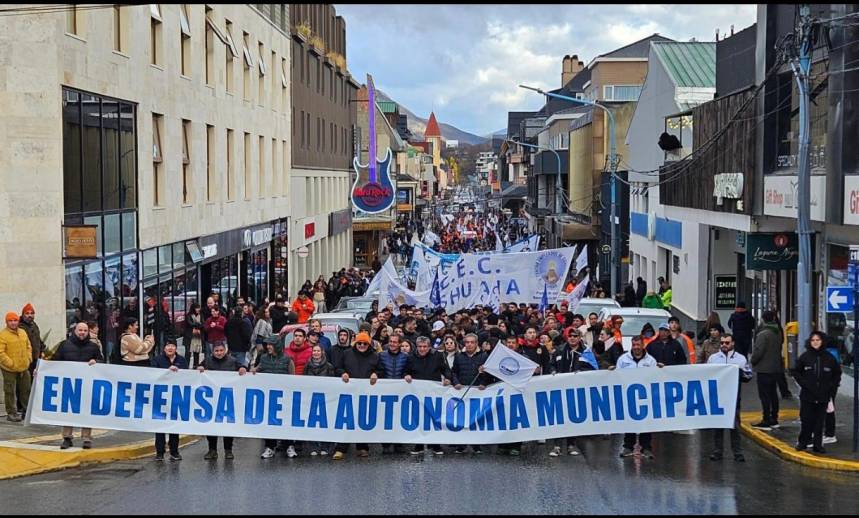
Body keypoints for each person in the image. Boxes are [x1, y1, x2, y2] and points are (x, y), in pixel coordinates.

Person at [50, 322, 102, 446]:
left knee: (87, 410)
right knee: (68, 411)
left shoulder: (93, 346)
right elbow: (54, 362)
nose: (82, 332)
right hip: (69, 384)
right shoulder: (64, 345)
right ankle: (67, 438)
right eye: (80, 330)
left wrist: (97, 361)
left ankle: (86, 438)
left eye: (85, 330)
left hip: (87, 385)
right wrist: (40, 370)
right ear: (75, 330)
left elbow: (101, 361)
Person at [332, 332, 382, 460]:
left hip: (366, 393)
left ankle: (362, 447)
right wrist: (342, 373)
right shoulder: (347, 353)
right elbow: (337, 367)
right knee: (346, 420)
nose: (361, 345)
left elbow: (381, 370)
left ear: (368, 344)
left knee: (362, 420)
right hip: (348, 392)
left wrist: (376, 374)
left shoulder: (375, 356)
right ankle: (341, 448)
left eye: (364, 343)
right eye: (359, 343)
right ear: (356, 343)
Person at [612, 335, 662, 458]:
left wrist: (661, 370)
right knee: (629, 422)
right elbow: (617, 376)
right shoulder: (623, 360)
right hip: (629, 395)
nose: (636, 347)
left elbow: (656, 377)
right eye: (634, 345)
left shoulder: (650, 361)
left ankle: (646, 448)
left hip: (645, 396)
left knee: (646, 423)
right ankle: (628, 447)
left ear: (643, 345)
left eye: (638, 345)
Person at [792, 331, 841, 453]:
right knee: (806, 420)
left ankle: (818, 445)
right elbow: (796, 371)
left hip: (823, 396)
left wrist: (831, 387)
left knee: (819, 422)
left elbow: (837, 374)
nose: (815, 342)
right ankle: (803, 442)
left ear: (822, 341)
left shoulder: (829, 358)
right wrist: (804, 384)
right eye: (813, 340)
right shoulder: (805, 357)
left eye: (818, 340)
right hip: (807, 395)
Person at [548, 328, 595, 456]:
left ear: (580, 337)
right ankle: (557, 446)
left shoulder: (586, 352)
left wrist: (582, 373)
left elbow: (593, 368)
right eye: (570, 336)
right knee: (559, 417)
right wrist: (552, 370)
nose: (572, 338)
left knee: (573, 417)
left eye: (575, 336)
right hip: (560, 388)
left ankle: (571, 445)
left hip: (577, 390)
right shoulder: (560, 350)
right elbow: (551, 364)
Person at [198, 342, 247, 460]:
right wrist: (199, 368)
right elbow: (199, 368)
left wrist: (242, 368)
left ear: (225, 350)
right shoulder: (208, 361)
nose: (219, 353)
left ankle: (228, 450)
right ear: (213, 351)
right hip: (211, 399)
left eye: (221, 350)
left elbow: (244, 367)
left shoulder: (232, 361)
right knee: (211, 426)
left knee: (228, 426)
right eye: (216, 351)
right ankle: (212, 450)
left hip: (228, 398)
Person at [706, 333, 752, 462]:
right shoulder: (713, 358)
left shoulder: (741, 359)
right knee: (718, 426)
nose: (724, 345)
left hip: (733, 397)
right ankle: (717, 451)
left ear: (732, 343)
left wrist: (739, 372)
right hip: (718, 397)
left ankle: (737, 452)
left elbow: (748, 376)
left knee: (735, 426)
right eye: (722, 343)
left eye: (727, 343)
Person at [405, 336, 451, 455]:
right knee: (419, 418)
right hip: (417, 393)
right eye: (420, 346)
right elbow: (406, 370)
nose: (422, 349)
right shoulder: (411, 357)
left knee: (433, 418)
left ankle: (435, 444)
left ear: (429, 347)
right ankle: (419, 445)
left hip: (433, 393)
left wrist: (447, 378)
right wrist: (407, 375)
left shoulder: (438, 356)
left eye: (425, 346)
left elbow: (446, 370)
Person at [252, 335, 296, 459]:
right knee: (269, 422)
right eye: (267, 345)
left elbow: (292, 377)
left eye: (271, 344)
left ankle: (289, 445)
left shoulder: (287, 359)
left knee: (286, 421)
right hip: (268, 397)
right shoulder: (264, 358)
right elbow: (257, 370)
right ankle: (270, 447)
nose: (268, 347)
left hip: (284, 396)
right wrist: (251, 371)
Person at [450, 333, 489, 454]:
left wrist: (484, 382)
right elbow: (453, 372)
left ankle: (476, 444)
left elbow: (490, 374)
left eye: (472, 342)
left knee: (475, 418)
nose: (469, 344)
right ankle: (461, 444)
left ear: (476, 344)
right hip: (462, 391)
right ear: (464, 344)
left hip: (477, 392)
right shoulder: (459, 356)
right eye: (467, 342)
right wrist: (455, 382)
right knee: (461, 418)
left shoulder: (484, 356)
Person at [150, 340, 187, 461]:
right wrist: (167, 369)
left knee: (174, 426)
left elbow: (188, 375)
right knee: (160, 426)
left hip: (176, 397)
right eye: (168, 345)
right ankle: (159, 452)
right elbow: (153, 373)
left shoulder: (182, 360)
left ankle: (174, 451)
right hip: (160, 397)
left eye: (172, 346)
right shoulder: (157, 359)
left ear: (176, 348)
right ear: (164, 348)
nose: (170, 348)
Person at [750, 310, 784, 430]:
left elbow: (758, 352)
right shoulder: (778, 332)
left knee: (764, 395)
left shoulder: (763, 334)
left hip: (764, 369)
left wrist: (752, 361)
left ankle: (766, 419)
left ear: (763, 319)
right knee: (773, 394)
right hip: (775, 368)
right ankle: (774, 418)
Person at [303, 344, 336, 455]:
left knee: (325, 423)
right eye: (314, 351)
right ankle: (313, 447)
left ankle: (325, 446)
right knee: (312, 423)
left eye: (318, 351)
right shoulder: (307, 365)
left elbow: (332, 383)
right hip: (311, 398)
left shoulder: (329, 366)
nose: (316, 353)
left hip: (325, 399)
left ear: (322, 352)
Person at [183, 303, 204, 367]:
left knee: (196, 352)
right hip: (189, 337)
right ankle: (186, 366)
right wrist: (198, 324)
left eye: (199, 308)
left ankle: (195, 365)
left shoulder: (201, 315)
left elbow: (203, 324)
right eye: (196, 308)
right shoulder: (189, 315)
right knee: (188, 353)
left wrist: (198, 325)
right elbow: (190, 324)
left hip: (197, 337)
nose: (198, 309)